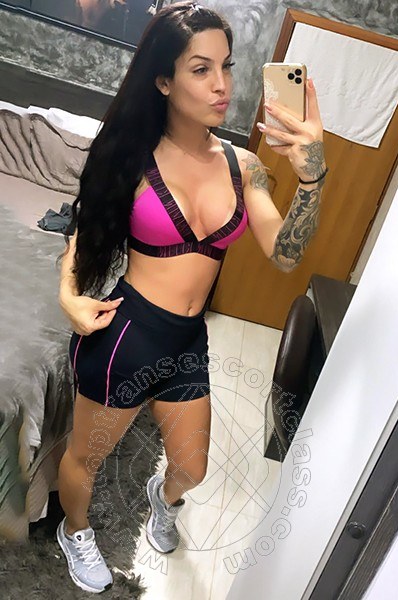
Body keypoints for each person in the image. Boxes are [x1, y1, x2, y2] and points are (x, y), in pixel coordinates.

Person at [55, 1, 327, 594]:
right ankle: (74, 530)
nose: (222, 84)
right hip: (127, 336)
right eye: (201, 69)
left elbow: (285, 254)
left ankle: (163, 498)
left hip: (186, 340)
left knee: (192, 469)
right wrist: (67, 293)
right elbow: (84, 229)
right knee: (85, 460)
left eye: (227, 66)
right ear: (163, 80)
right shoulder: (131, 158)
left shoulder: (244, 166)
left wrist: (312, 178)